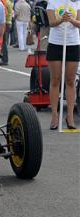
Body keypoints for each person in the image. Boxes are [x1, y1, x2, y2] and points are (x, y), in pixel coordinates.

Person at [46, 0, 80, 130]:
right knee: (55, 79)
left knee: (70, 80)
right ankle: (55, 115)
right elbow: (51, 23)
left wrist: (71, 20)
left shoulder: (77, 3)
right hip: (55, 43)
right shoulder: (52, 2)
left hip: (73, 43)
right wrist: (61, 20)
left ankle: (70, 115)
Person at [0, 0, 13, 65]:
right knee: (4, 42)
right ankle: (4, 59)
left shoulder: (4, 2)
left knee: (3, 42)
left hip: (4, 23)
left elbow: (5, 14)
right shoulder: (8, 2)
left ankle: (4, 59)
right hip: (7, 23)